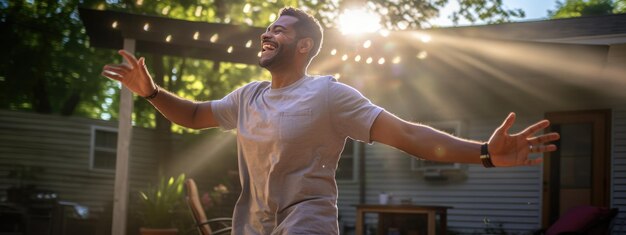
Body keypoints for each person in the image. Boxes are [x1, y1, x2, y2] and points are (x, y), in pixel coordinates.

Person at [101, 7, 560, 235]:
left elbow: (405, 133)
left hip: (307, 223)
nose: (267, 32)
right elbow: (197, 115)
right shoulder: (247, 97)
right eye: (268, 27)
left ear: (303, 47)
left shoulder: (328, 94)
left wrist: (484, 152)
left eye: (279, 29)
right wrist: (153, 93)